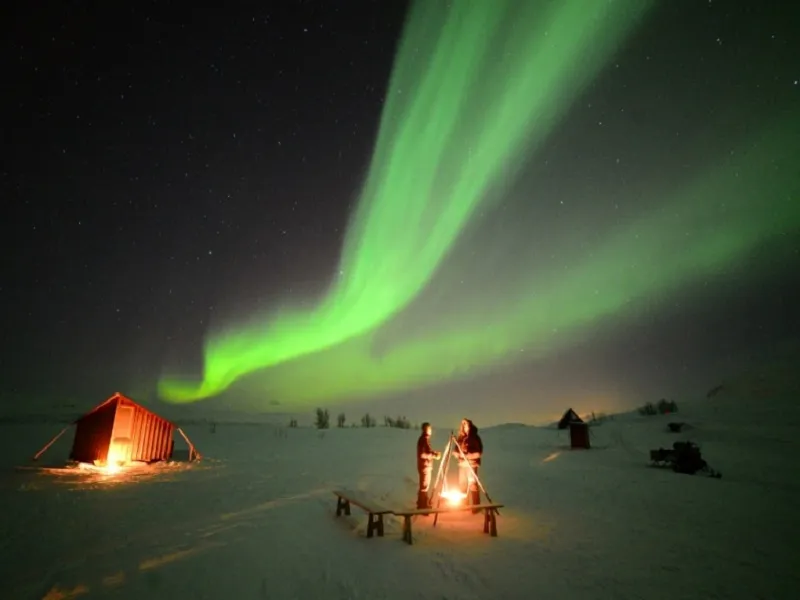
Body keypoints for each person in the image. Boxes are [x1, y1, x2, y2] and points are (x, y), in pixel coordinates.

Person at [455, 418, 483, 513]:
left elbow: (478, 453)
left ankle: (476, 507)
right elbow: (456, 449)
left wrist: (468, 455)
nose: (464, 426)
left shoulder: (474, 438)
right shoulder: (461, 438)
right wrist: (457, 453)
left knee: (472, 485)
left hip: (471, 464)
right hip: (462, 465)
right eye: (463, 424)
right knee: (462, 485)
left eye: (466, 424)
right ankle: (464, 506)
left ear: (470, 425)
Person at [416, 422, 442, 509]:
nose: (431, 430)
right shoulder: (423, 439)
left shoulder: (425, 439)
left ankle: (422, 504)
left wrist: (434, 453)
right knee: (424, 486)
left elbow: (426, 452)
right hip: (425, 466)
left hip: (425, 465)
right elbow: (422, 454)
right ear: (426, 429)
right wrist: (434, 455)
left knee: (424, 486)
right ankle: (422, 506)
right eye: (430, 428)